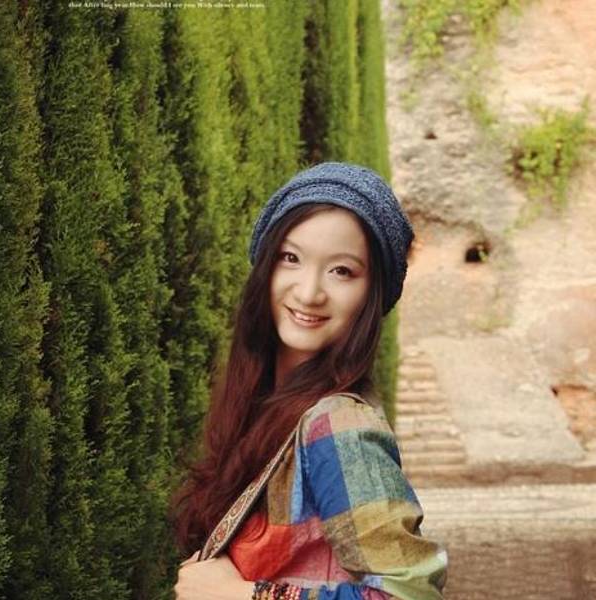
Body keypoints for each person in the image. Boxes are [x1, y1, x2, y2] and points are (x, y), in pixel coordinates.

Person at [171, 162, 448, 600]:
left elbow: (408, 594)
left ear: (372, 294)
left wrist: (248, 596)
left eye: (342, 271)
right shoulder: (268, 411)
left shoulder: (339, 425)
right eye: (291, 258)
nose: (309, 292)